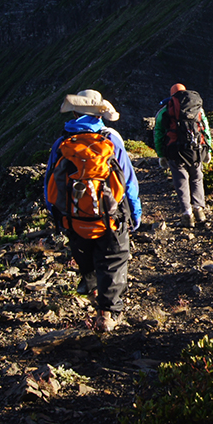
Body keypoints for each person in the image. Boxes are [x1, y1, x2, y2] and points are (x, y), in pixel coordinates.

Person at [44, 89, 142, 332]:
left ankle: (91, 287)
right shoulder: (112, 138)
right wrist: (135, 213)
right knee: (114, 259)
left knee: (85, 254)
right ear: (99, 112)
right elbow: (128, 181)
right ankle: (107, 313)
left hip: (73, 216)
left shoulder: (63, 142)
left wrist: (57, 214)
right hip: (111, 216)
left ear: (75, 111)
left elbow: (49, 183)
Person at [154, 83, 212, 228]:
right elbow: (205, 129)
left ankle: (187, 215)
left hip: (175, 152)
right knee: (197, 179)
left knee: (181, 181)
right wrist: (208, 150)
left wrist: (161, 155)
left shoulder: (165, 110)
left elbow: (158, 134)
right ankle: (199, 210)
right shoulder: (198, 109)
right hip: (196, 150)